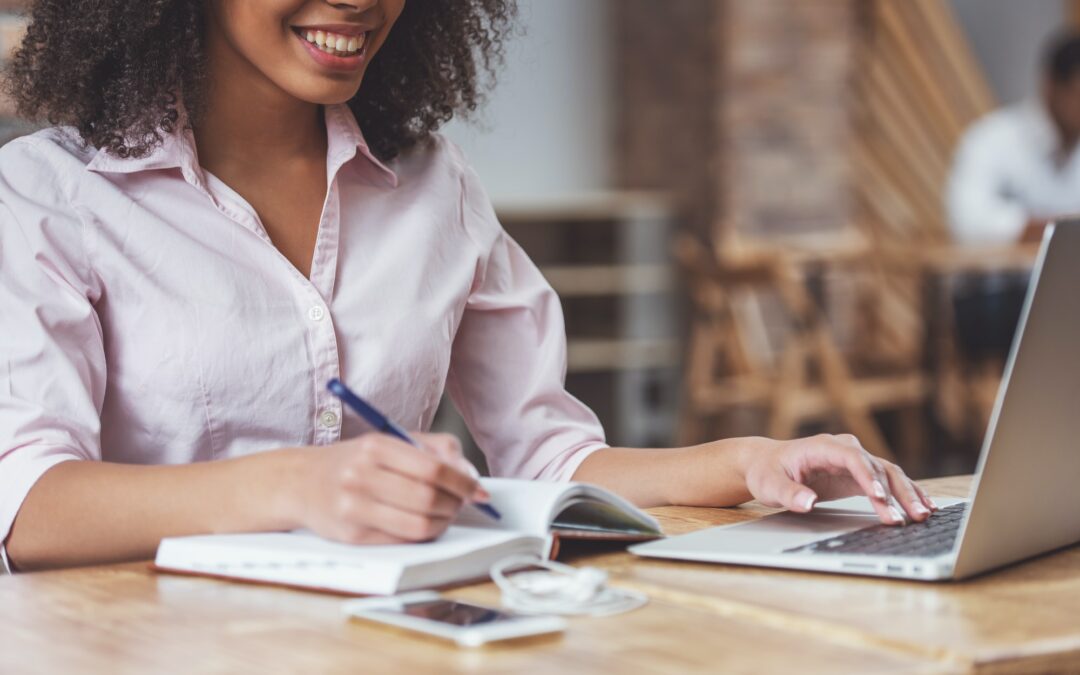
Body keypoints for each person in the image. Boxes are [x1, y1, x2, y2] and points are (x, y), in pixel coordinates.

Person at [0, 0, 935, 573]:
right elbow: (29, 504)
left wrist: (746, 462)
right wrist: (302, 484)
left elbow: (551, 459)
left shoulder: (432, 185)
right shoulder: (51, 195)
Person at [947, 30, 1080, 245]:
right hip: (1002, 278)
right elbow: (967, 221)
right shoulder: (993, 140)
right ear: (1051, 86)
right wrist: (1047, 229)